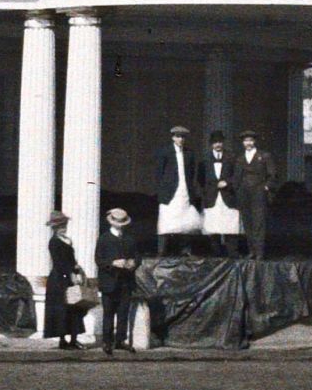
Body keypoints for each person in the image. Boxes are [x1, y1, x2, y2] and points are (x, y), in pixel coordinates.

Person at [152, 124, 206, 255]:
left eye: (182, 137)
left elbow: (192, 173)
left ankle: (186, 250)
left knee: (186, 221)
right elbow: (159, 173)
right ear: (173, 138)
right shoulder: (165, 152)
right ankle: (161, 251)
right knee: (166, 221)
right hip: (170, 193)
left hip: (184, 191)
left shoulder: (189, 154)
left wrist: (190, 189)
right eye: (178, 137)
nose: (180, 139)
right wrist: (164, 189)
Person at [94, 206, 141, 356]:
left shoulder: (129, 239)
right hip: (109, 282)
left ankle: (120, 340)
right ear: (111, 223)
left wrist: (133, 263)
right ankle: (107, 342)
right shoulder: (103, 239)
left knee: (123, 313)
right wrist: (113, 263)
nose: (120, 226)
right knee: (108, 314)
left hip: (126, 282)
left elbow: (138, 257)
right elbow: (99, 260)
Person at [42, 210, 86, 349]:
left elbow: (70, 260)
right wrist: (70, 274)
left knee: (75, 308)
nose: (63, 228)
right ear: (54, 228)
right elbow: (59, 262)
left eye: (64, 225)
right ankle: (62, 339)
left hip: (69, 276)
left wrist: (76, 268)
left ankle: (74, 338)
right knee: (62, 309)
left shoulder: (67, 240)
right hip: (59, 279)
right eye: (60, 226)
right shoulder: (54, 242)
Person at [199, 130, 243, 257]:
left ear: (223, 143)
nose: (218, 144)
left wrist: (227, 183)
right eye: (215, 142)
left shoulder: (232, 157)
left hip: (228, 196)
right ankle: (216, 253)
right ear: (211, 144)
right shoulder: (205, 159)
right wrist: (206, 192)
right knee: (214, 225)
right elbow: (200, 179)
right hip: (212, 197)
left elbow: (237, 176)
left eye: (220, 142)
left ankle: (232, 253)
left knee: (230, 224)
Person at [237, 130, 278, 260]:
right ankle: (252, 251)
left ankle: (259, 252)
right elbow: (237, 177)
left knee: (258, 222)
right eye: (245, 141)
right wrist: (237, 190)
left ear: (254, 141)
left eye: (250, 140)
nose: (248, 143)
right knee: (247, 222)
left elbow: (273, 174)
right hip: (244, 193)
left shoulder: (264, 156)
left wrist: (266, 187)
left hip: (258, 193)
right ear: (243, 143)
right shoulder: (240, 158)